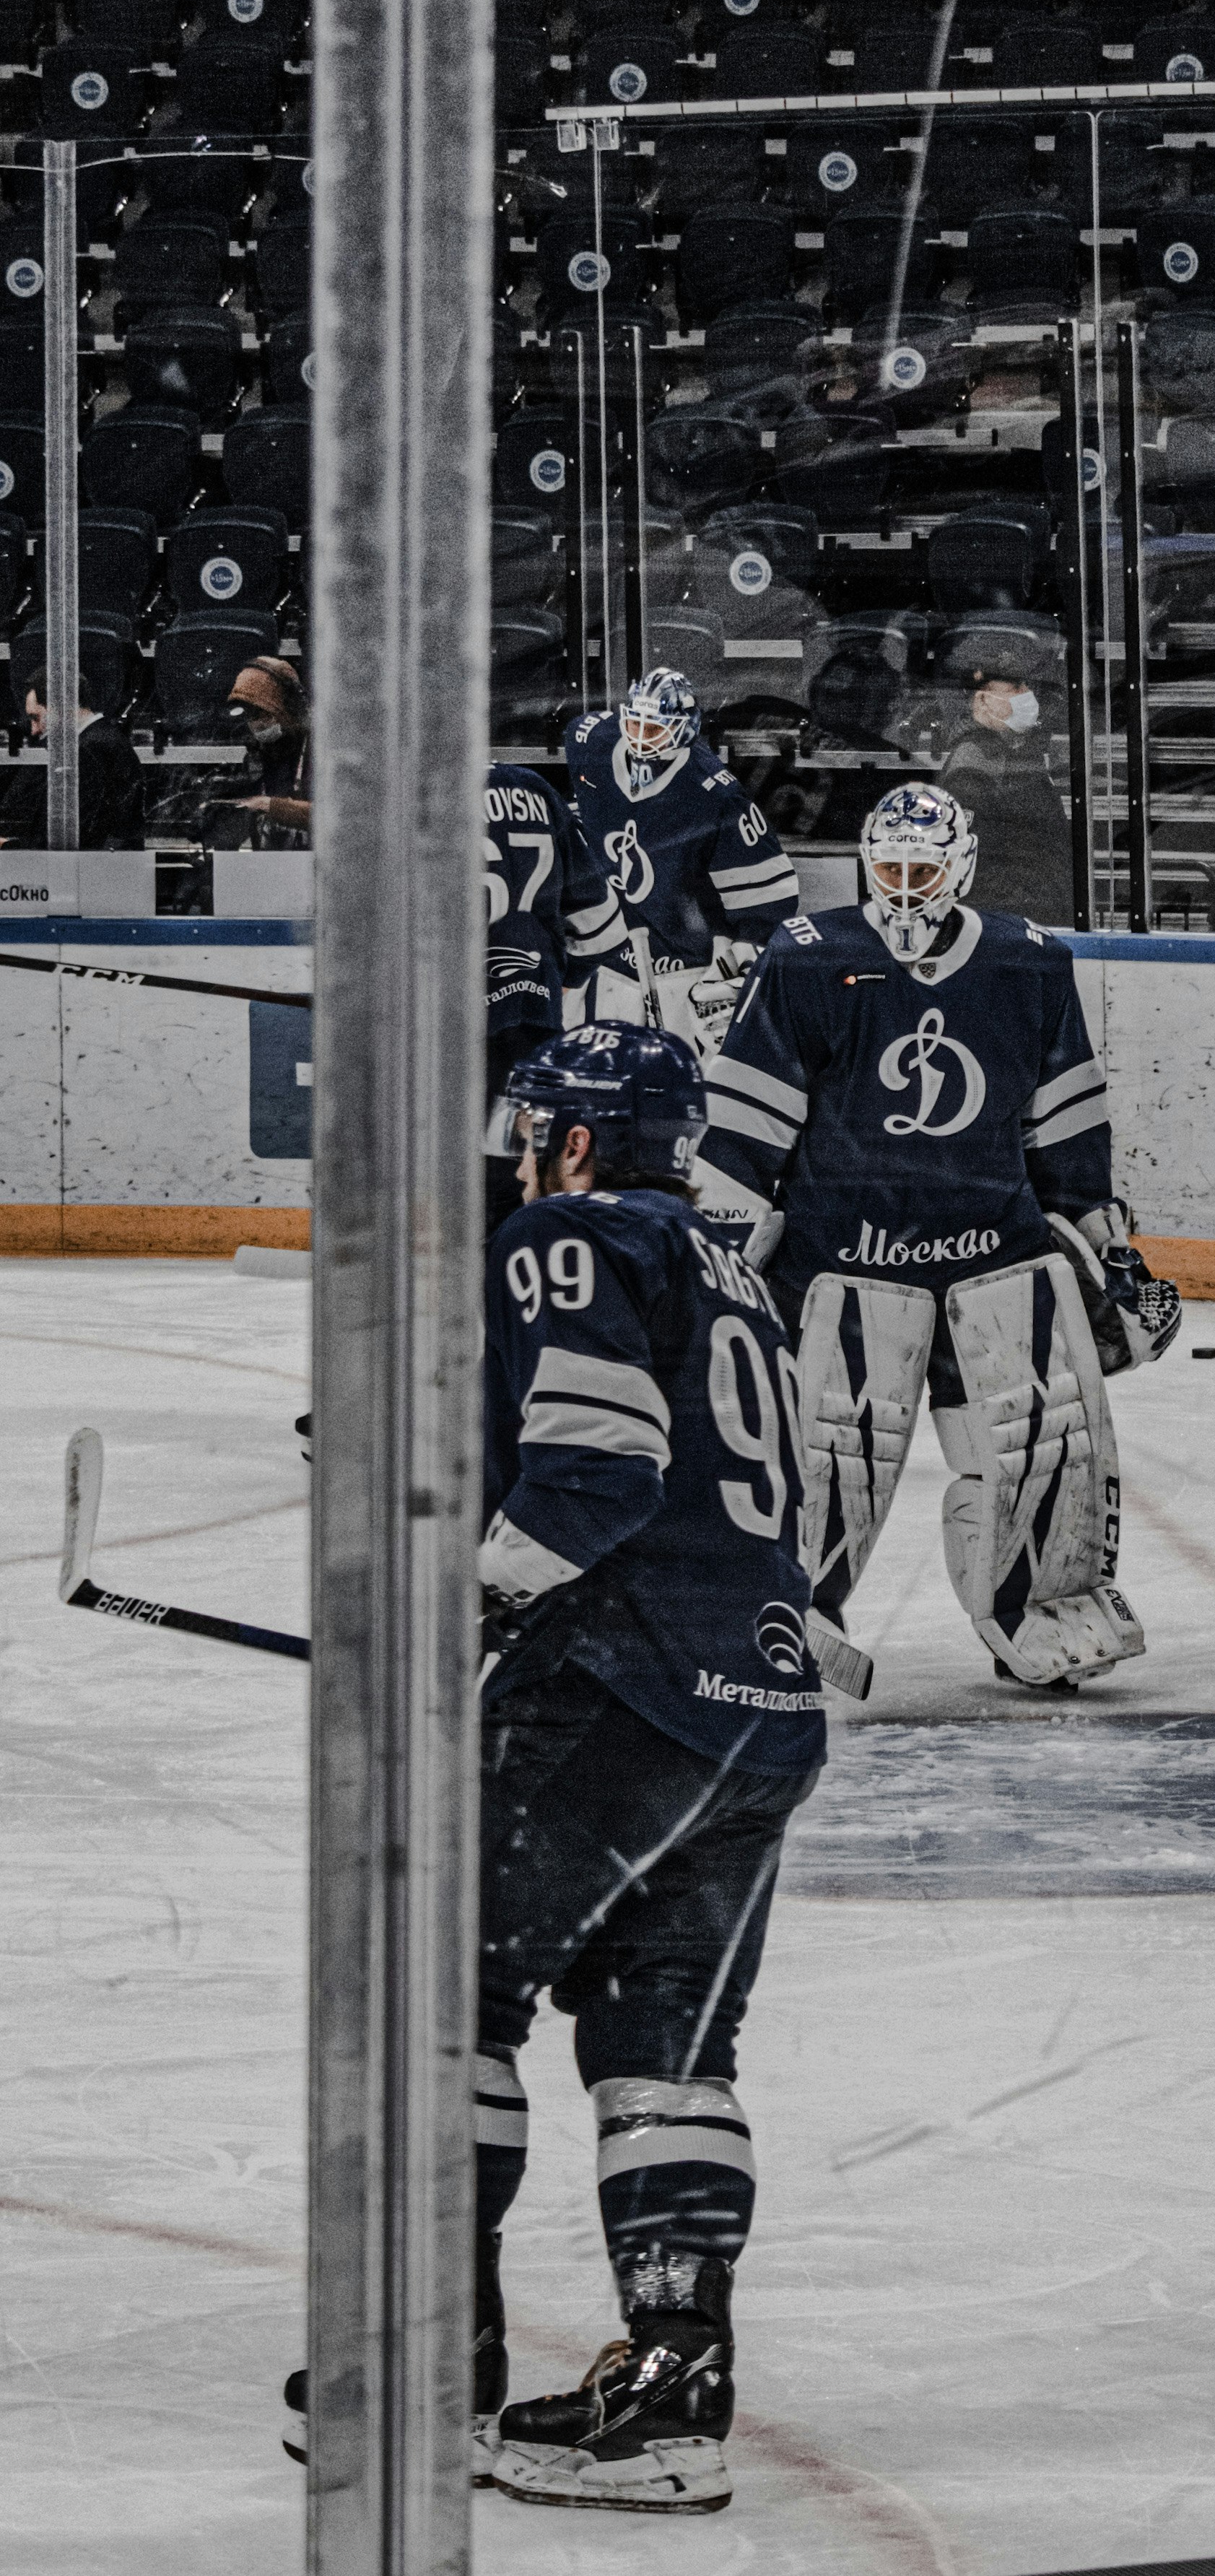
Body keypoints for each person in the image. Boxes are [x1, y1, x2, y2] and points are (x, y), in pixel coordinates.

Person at [283, 1025, 828, 2511]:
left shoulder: (566, 1234)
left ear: (576, 1141)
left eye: (539, 1127)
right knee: (666, 2055)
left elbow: (597, 1465)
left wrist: (453, 1606)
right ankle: (670, 2392)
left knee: (444, 1998)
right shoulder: (734, 1273)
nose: (523, 1147)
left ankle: (421, 2361)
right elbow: (803, 1509)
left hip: (612, 1687)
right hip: (762, 1709)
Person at [694, 780, 1181, 1694]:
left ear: (959, 866)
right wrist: (718, 1242)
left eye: (923, 867)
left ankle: (1038, 1607)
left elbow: (1066, 1122)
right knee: (831, 1458)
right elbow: (745, 1124)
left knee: (1039, 1447)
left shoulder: (1027, 963)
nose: (905, 885)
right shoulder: (805, 960)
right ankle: (783, 1603)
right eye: (888, 866)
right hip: (840, 1261)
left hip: (996, 1256)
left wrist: (1101, 1241)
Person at [565, 668, 800, 1056]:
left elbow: (770, 899)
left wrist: (740, 965)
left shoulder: (716, 794)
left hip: (687, 965)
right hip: (608, 961)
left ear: (685, 729)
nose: (640, 738)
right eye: (635, 724)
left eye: (654, 729)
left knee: (687, 1087)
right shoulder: (590, 740)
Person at [482, 761, 627, 1239]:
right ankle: (523, 1267)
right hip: (534, 1010)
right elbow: (602, 923)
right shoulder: (532, 788)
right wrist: (564, 976)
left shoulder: (416, 794)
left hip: (445, 1020)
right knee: (516, 1152)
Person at [934, 665, 1074, 930]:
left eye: (1028, 686)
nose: (1027, 694)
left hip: (1036, 914)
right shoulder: (974, 763)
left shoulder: (1012, 753)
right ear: (983, 700)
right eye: (1015, 688)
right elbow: (978, 863)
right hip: (1011, 923)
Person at [1, 674, 145, 849]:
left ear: (62, 707)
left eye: (36, 718)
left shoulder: (89, 749)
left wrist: (7, 846)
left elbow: (74, 839)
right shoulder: (101, 740)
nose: (34, 730)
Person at [207, 656, 312, 847]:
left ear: (288, 708)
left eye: (262, 713)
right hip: (269, 866)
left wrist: (270, 806)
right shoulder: (262, 753)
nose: (255, 724)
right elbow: (253, 813)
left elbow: (338, 817)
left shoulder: (321, 752)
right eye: (249, 716)